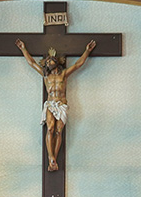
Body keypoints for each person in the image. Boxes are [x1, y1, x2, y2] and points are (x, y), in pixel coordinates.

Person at [16, 39, 97, 171]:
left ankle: (55, 157)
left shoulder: (63, 74)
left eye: (51, 60)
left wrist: (87, 51)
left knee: (59, 131)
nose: (49, 62)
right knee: (50, 128)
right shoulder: (45, 75)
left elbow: (77, 65)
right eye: (47, 61)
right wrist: (23, 49)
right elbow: (31, 63)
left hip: (62, 104)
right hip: (50, 104)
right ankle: (51, 158)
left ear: (56, 62)